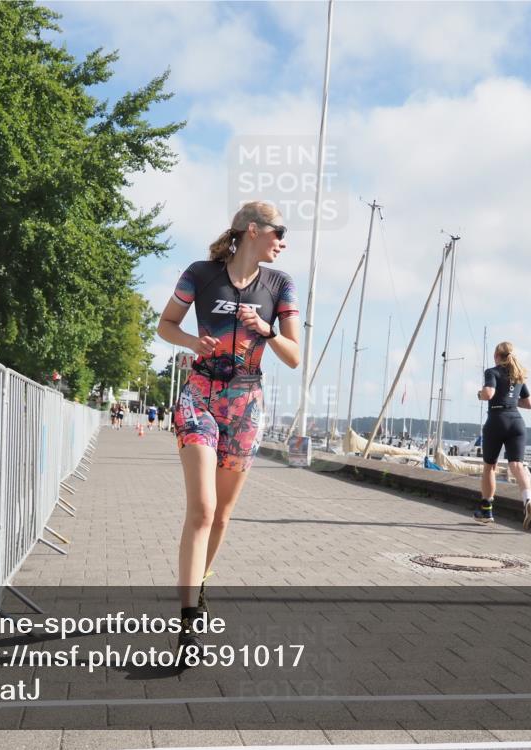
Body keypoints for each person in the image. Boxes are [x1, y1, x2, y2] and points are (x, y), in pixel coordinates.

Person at [157, 201, 300, 659]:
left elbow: (295, 356)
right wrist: (191, 341)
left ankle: (198, 586)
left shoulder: (280, 285)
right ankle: (187, 626)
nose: (284, 241)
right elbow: (166, 325)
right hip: (199, 394)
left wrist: (266, 329)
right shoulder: (200, 274)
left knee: (221, 516)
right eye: (279, 231)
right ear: (253, 230)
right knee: (201, 509)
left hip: (246, 403)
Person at [476, 341, 531, 529]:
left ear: (496, 356)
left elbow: (488, 393)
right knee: (517, 465)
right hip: (517, 422)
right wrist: (510, 400)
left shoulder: (492, 372)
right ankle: (528, 501)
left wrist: (480, 394)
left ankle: (486, 510)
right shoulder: (518, 376)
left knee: (490, 466)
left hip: (497, 420)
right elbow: (528, 404)